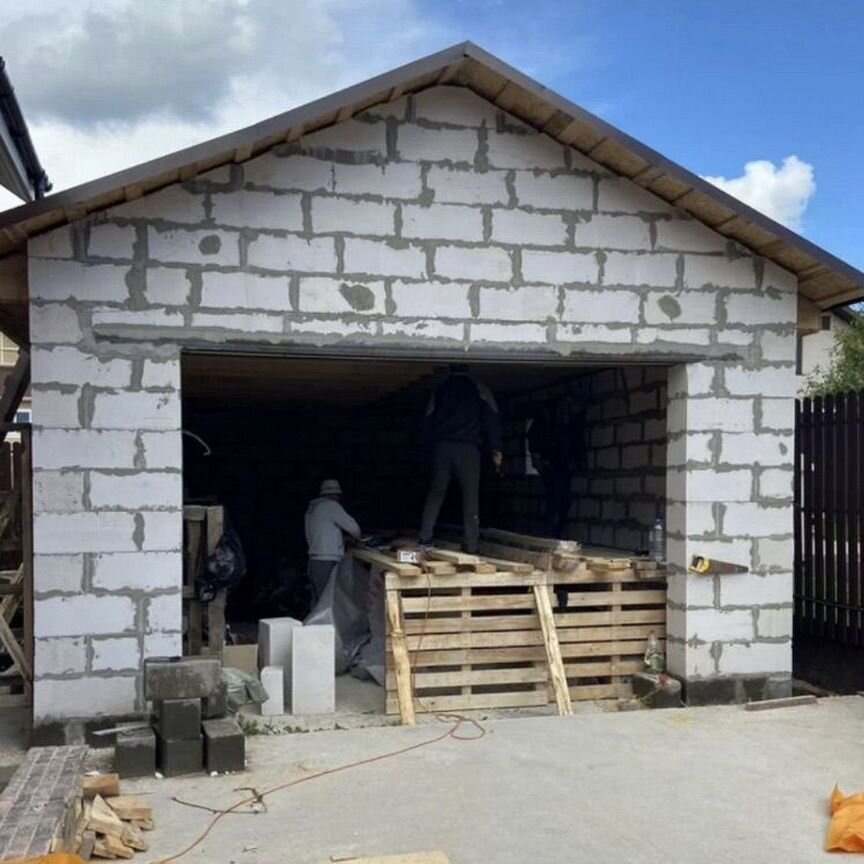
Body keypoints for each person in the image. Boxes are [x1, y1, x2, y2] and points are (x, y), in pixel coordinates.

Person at [419, 365, 503, 554]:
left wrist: (427, 450)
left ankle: (425, 538)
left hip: (442, 447)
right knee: (470, 496)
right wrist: (496, 448)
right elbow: (492, 418)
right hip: (468, 448)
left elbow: (427, 419)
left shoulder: (440, 389)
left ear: (450, 369)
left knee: (436, 492)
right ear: (469, 368)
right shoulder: (480, 388)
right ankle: (471, 544)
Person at [527, 399, 586, 538]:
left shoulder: (560, 425)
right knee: (555, 500)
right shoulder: (540, 426)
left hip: (560, 467)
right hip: (550, 467)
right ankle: (551, 533)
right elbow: (535, 454)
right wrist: (543, 468)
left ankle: (555, 532)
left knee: (562, 501)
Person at [304, 479, 361, 603]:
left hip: (314, 561)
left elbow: (321, 533)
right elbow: (354, 528)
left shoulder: (312, 509)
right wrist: (357, 539)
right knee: (328, 602)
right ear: (335, 494)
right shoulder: (331, 506)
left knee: (318, 602)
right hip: (327, 561)